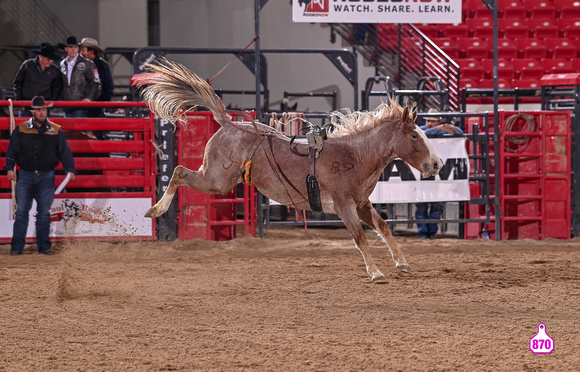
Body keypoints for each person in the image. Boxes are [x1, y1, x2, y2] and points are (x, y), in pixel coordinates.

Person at [4, 96, 77, 255]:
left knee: (43, 213)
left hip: (45, 175)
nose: (42, 112)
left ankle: (43, 246)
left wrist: (70, 169)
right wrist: (9, 168)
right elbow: (12, 151)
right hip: (27, 175)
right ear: (33, 112)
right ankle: (17, 247)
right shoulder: (21, 129)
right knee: (23, 212)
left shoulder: (55, 130)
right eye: (38, 110)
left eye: (43, 109)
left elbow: (65, 152)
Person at [416, 109, 463, 239]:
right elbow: (420, 133)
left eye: (432, 121)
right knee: (421, 204)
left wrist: (452, 128)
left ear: (439, 121)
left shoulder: (441, 131)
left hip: (439, 173)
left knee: (436, 205)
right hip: (423, 172)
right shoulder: (421, 130)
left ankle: (431, 232)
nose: (429, 123)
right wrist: (438, 129)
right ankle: (423, 233)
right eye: (428, 120)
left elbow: (461, 134)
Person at [12, 42, 63, 116]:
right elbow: (17, 83)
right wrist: (19, 100)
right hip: (27, 104)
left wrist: (50, 103)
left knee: (41, 127)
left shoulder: (54, 70)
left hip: (43, 106)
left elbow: (57, 88)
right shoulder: (27, 65)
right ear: (40, 56)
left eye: (52, 59)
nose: (50, 61)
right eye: (48, 59)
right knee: (24, 126)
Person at [80, 37, 114, 139]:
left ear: (91, 52)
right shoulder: (82, 64)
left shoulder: (102, 66)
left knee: (96, 133)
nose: (81, 53)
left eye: (83, 50)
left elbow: (108, 85)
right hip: (85, 104)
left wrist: (101, 101)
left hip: (95, 105)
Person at [59, 35, 101, 117]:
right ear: (66, 48)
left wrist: (89, 98)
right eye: (70, 47)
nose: (73, 49)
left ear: (78, 48)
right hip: (67, 105)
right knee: (69, 128)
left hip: (80, 106)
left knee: (79, 128)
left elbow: (96, 84)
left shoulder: (88, 64)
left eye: (75, 47)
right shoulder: (61, 64)